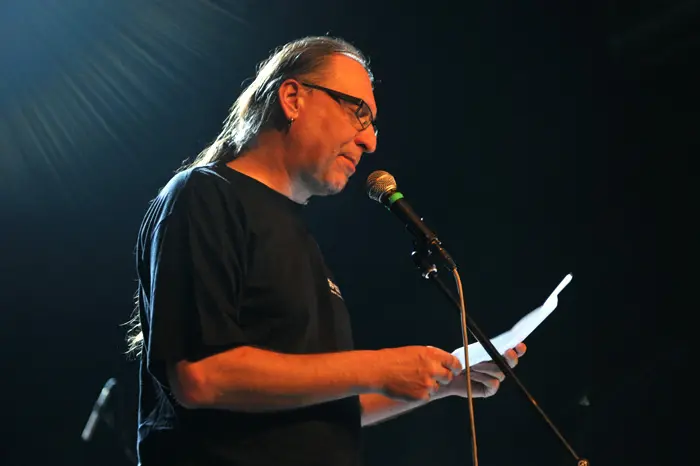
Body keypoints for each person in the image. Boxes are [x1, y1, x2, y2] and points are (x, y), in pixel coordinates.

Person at [127, 36, 527, 466]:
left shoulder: (299, 237)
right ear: (293, 98)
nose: (370, 141)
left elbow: (324, 408)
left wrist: (441, 383)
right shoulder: (204, 196)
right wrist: (378, 367)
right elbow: (201, 377)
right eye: (359, 112)